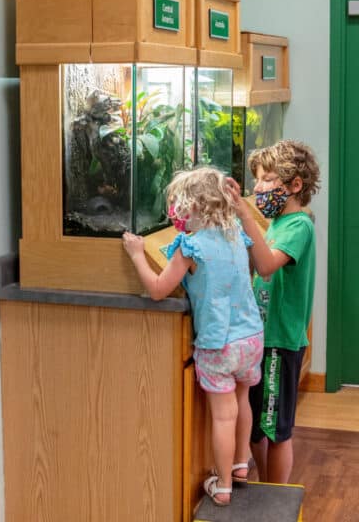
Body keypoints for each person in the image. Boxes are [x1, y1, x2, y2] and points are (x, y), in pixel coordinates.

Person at [122, 166, 263, 506]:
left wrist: (138, 255)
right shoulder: (234, 236)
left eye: (177, 204)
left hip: (220, 345)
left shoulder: (190, 246)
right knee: (242, 401)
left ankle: (223, 485)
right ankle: (242, 464)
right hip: (252, 339)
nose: (174, 212)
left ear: (193, 206)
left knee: (223, 415)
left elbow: (158, 290)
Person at [225, 139, 321, 485]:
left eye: (267, 179)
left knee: (276, 429)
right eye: (257, 180)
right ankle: (264, 489)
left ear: (295, 185)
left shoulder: (299, 226)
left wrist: (243, 213)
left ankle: (275, 497)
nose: (259, 187)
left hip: (281, 341)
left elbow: (266, 266)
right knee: (256, 430)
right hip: (260, 340)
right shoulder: (277, 224)